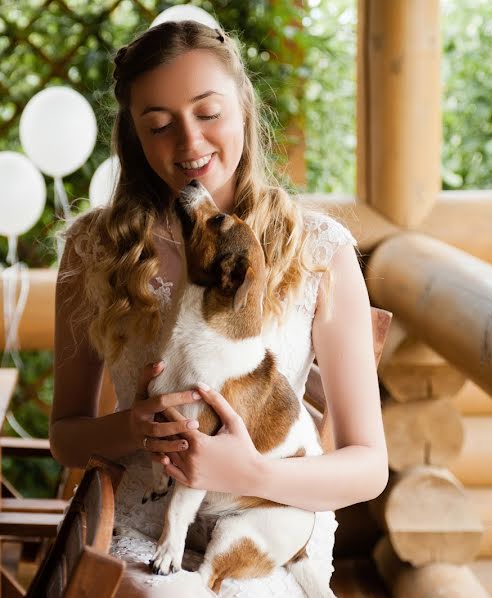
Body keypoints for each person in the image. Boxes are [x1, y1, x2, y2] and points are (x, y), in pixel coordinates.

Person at [51, 20, 387, 597]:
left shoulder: (318, 250)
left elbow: (368, 466)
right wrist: (132, 427)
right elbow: (66, 437)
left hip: (269, 526)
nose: (189, 144)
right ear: (133, 135)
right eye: (158, 125)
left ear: (245, 110)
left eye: (208, 113)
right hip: (139, 530)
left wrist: (250, 473)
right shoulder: (94, 250)